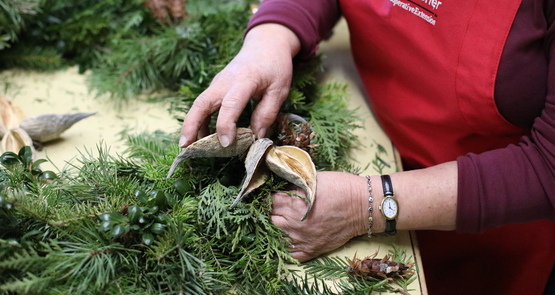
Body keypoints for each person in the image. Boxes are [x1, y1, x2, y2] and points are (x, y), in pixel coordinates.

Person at [178, 0, 555, 294]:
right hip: (367, 138)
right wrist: (271, 38)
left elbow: (548, 167)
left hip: (485, 234)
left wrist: (366, 204)